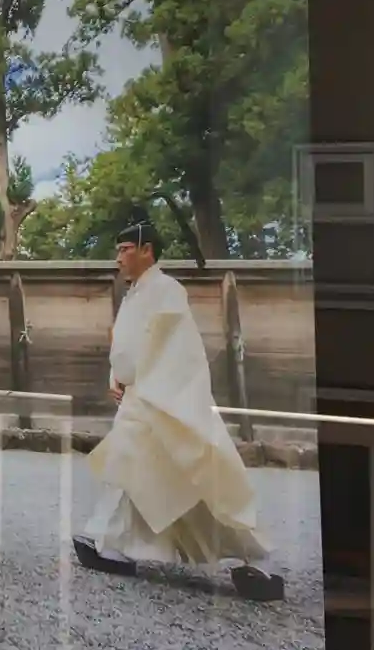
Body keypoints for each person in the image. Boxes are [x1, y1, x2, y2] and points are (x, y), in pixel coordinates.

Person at [74, 216, 285, 602]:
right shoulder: (137, 294)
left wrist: (131, 377)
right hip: (142, 397)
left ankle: (258, 560)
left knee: (197, 478)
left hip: (164, 399)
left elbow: (172, 349)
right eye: (118, 250)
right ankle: (112, 543)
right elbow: (125, 345)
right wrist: (116, 376)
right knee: (141, 471)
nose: (118, 258)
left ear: (147, 250)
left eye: (125, 250)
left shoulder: (168, 290)